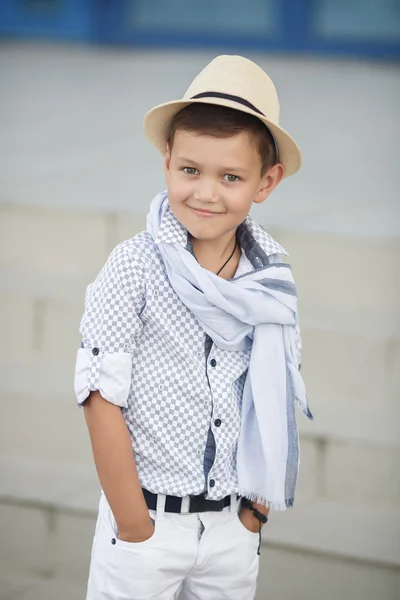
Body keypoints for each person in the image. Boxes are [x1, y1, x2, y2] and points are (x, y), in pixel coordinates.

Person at [74, 54, 313, 600]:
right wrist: (134, 523)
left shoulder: (270, 280)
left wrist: (253, 512)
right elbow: (98, 394)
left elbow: (273, 389)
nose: (206, 192)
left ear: (266, 182)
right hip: (148, 526)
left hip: (233, 528)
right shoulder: (133, 266)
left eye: (230, 177)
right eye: (191, 170)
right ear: (167, 161)